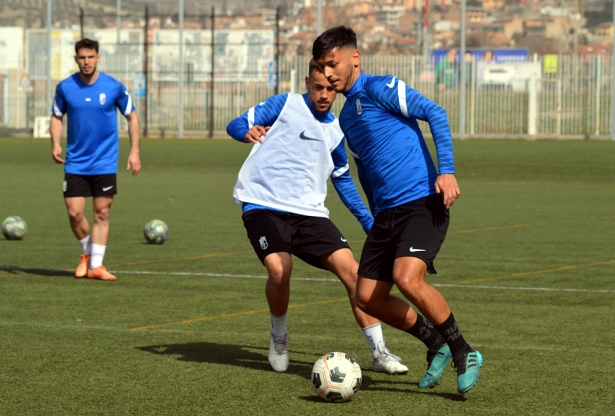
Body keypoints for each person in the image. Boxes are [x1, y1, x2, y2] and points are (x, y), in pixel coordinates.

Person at [312, 26, 483, 394]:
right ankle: (434, 343)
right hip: (387, 217)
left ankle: (462, 350)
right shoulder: (346, 120)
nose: (328, 74)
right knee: (366, 297)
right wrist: (375, 221)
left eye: (333, 63)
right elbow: (367, 175)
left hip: (423, 202)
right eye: (323, 67)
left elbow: (434, 113)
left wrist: (447, 170)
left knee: (407, 279)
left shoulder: (380, 87)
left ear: (354, 58)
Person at [226, 60, 408, 375]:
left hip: (309, 214)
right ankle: (279, 337)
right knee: (280, 269)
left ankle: (379, 353)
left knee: (354, 273)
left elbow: (343, 180)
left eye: (330, 89)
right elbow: (236, 123)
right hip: (262, 204)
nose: (324, 95)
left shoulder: (336, 130)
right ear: (307, 81)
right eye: (318, 87)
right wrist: (246, 132)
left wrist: (368, 222)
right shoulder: (285, 104)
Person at [50, 38, 141, 281]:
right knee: (74, 213)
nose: (86, 61)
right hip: (76, 161)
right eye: (82, 57)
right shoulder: (65, 87)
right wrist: (55, 143)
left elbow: (132, 117)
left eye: (91, 57)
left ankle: (96, 266)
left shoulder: (114, 87)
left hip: (105, 160)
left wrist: (134, 152)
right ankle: (88, 253)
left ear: (98, 58)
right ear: (76, 59)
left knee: (102, 212)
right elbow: (56, 116)